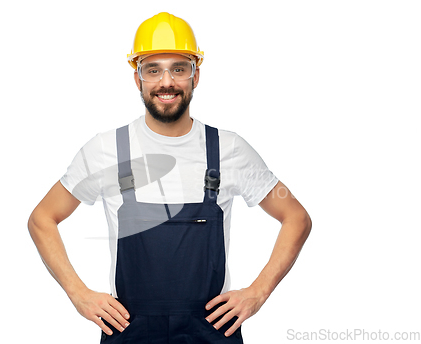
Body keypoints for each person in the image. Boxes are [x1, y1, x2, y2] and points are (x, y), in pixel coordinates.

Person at [28, 12, 312, 343]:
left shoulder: (230, 149)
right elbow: (42, 218)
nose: (167, 82)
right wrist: (78, 293)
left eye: (179, 68)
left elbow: (296, 217)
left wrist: (258, 292)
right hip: (128, 330)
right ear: (138, 79)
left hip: (212, 330)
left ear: (196, 76)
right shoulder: (105, 150)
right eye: (153, 70)